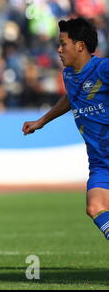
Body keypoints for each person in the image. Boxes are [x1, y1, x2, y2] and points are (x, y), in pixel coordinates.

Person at [23, 17, 109, 241]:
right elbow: (71, 98)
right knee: (95, 207)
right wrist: (41, 121)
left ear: (80, 46)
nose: (58, 49)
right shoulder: (69, 74)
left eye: (63, 43)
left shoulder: (103, 69)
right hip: (100, 162)